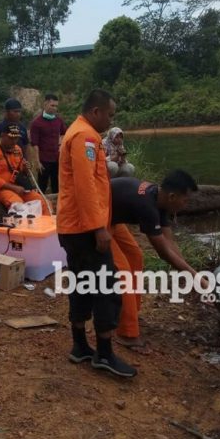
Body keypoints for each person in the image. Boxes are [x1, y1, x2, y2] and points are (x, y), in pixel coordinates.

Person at [57, 89, 136, 378]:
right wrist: (98, 228)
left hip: (74, 226)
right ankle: (104, 352)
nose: (110, 121)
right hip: (84, 229)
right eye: (110, 115)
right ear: (96, 112)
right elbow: (85, 186)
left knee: (81, 283)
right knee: (105, 286)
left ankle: (79, 346)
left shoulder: (79, 133)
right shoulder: (85, 137)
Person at [110, 170, 199, 351]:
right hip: (97, 220)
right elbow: (163, 252)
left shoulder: (160, 200)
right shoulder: (147, 206)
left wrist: (193, 275)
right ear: (173, 196)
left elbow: (169, 243)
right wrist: (198, 279)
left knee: (135, 256)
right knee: (123, 271)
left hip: (112, 218)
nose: (186, 204)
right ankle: (127, 333)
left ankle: (131, 314)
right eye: (186, 200)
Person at [0, 124, 50, 215]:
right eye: (11, 138)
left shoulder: (17, 150)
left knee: (42, 201)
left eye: (16, 138)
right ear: (2, 136)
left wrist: (26, 169)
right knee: (18, 206)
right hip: (2, 190)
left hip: (20, 187)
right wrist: (13, 188)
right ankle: (23, 228)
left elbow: (21, 170)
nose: (14, 141)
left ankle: (46, 226)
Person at [29, 93, 67, 193]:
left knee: (57, 185)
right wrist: (37, 161)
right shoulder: (36, 123)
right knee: (42, 186)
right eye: (52, 105)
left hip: (57, 158)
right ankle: (41, 205)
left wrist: (60, 144)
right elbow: (34, 144)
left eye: (56, 106)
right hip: (43, 160)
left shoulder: (58, 120)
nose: (55, 108)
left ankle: (57, 207)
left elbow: (64, 134)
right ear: (45, 104)